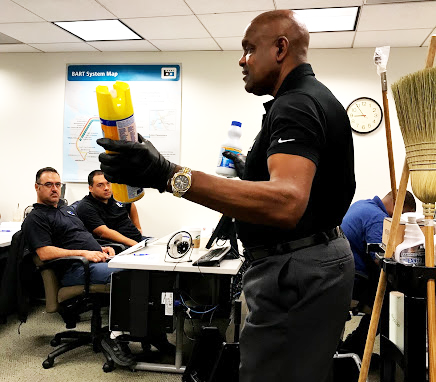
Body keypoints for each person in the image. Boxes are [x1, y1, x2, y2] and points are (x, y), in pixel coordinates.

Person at [97, 10, 355, 382]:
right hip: (310, 262)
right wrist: (252, 167)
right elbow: (310, 187)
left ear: (280, 49)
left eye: (249, 49)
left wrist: (167, 174)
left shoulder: (296, 103)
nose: (242, 59)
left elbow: (287, 202)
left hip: (296, 271)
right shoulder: (313, 98)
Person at [22, 167, 136, 367]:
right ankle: (115, 337)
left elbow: (77, 238)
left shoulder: (65, 210)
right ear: (37, 187)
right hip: (75, 269)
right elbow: (44, 252)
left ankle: (147, 332)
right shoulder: (36, 217)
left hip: (92, 260)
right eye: (48, 184)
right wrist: (85, 254)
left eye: (57, 184)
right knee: (125, 275)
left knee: (141, 268)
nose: (54, 189)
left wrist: (101, 247)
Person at [340, 191, 416, 358]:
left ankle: (354, 349)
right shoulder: (378, 218)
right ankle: (352, 349)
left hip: (341, 275)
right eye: (403, 214)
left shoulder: (363, 204)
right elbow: (380, 260)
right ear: (398, 206)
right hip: (353, 279)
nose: (401, 220)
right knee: (390, 308)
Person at [76, 170, 143, 247]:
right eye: (100, 185)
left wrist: (138, 227)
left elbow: (130, 204)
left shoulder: (116, 196)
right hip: (120, 246)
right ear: (90, 188)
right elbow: (103, 232)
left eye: (108, 183)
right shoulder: (85, 206)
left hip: (138, 240)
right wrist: (134, 244)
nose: (106, 188)